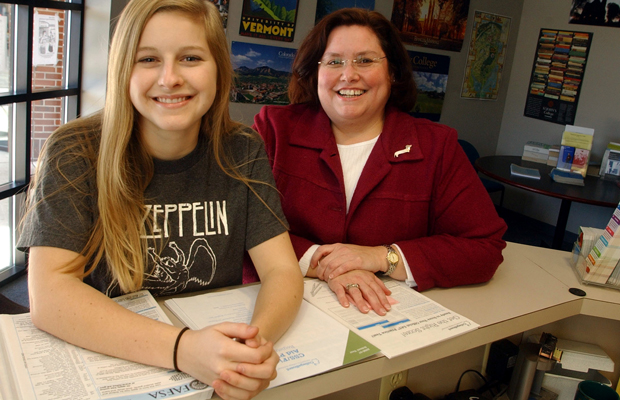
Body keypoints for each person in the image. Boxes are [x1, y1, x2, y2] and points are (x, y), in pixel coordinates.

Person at [18, 1, 303, 399]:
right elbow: (48, 295)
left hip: (210, 375)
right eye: (148, 59)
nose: (170, 78)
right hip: (115, 365)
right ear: (123, 71)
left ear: (218, 68)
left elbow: (283, 273)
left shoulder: (242, 148)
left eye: (190, 57)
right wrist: (184, 349)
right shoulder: (74, 150)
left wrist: (246, 353)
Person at [252, 8, 506, 316]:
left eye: (365, 60)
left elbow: (482, 248)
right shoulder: (273, 130)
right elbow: (238, 225)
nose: (349, 75)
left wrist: (383, 257)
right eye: (334, 61)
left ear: (393, 72)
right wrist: (326, 264)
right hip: (285, 306)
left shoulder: (437, 146)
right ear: (314, 72)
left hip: (389, 315)